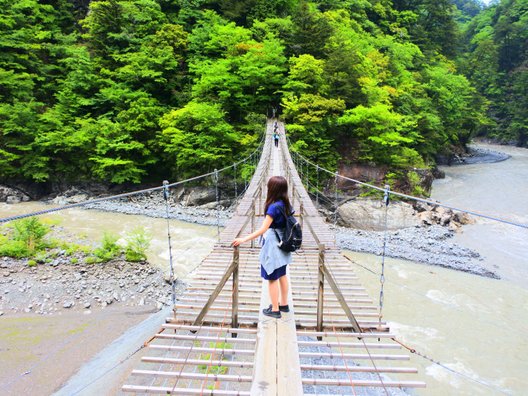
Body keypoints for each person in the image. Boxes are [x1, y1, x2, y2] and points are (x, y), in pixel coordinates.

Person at [232, 176, 292, 318]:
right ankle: (283, 304)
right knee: (282, 274)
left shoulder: (273, 207)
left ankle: (275, 310)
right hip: (282, 243)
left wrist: (243, 239)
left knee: (272, 277)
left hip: (272, 245)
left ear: (272, 189)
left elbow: (263, 229)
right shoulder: (286, 204)